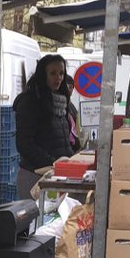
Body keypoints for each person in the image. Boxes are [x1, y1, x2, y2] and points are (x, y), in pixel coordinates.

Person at [13, 54, 79, 198]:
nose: (59, 78)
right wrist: (53, 162)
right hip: (35, 177)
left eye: (61, 73)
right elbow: (24, 143)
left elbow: (64, 140)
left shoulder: (63, 103)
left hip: (58, 175)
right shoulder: (30, 102)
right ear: (43, 75)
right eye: (53, 73)